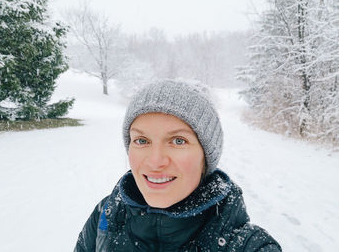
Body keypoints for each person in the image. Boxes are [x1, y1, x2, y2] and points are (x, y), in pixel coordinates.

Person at [74, 80, 282, 252]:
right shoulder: (107, 214)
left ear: (206, 157)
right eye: (142, 140)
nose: (155, 162)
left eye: (178, 141)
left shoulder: (248, 246)